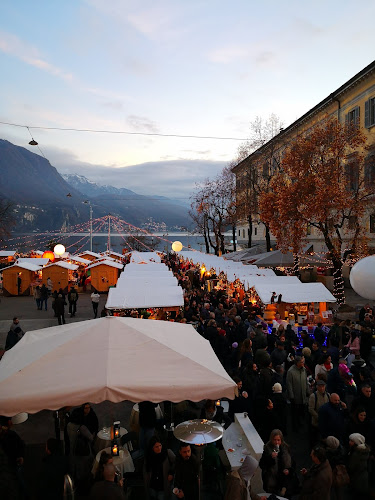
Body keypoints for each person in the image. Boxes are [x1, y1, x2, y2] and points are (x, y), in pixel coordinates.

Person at [259, 429, 292, 497]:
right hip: (272, 481)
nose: (276, 442)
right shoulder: (267, 449)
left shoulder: (285, 448)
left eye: (278, 440)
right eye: (274, 440)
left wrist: (288, 470)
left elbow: (291, 463)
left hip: (283, 481)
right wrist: (271, 458)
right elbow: (262, 464)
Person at [286, 356, 309, 428]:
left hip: (303, 395)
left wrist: (307, 390)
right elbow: (289, 384)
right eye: (301, 362)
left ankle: (301, 423)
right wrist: (291, 396)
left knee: (302, 411)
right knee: (295, 413)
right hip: (295, 395)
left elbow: (305, 381)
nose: (303, 363)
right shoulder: (290, 371)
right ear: (297, 363)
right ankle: (295, 426)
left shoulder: (304, 370)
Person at [346, 433, 370, 499]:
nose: (349, 442)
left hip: (357, 480)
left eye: (351, 441)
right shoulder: (363, 451)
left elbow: (351, 467)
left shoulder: (356, 454)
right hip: (363, 478)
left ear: (356, 442)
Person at [308, 379, 330, 446]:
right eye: (320, 386)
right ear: (317, 387)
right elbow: (311, 409)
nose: (322, 388)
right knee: (315, 439)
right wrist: (318, 417)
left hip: (325, 423)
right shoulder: (313, 396)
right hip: (316, 423)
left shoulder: (328, 395)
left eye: (323, 386)